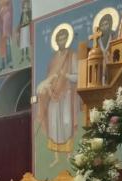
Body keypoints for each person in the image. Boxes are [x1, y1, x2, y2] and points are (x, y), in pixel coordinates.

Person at [36, 26, 78, 168]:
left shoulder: (72, 56)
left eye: (64, 38)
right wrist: (46, 88)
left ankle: (69, 154)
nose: (61, 41)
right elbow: (49, 78)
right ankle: (55, 157)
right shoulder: (53, 60)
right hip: (53, 95)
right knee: (54, 125)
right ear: (56, 41)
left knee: (66, 123)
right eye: (59, 39)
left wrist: (66, 75)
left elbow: (77, 77)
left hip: (66, 95)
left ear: (67, 39)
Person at [0, 0, 13, 71]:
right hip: (0, 29)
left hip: (6, 28)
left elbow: (9, 13)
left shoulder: (9, 3)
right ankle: (1, 64)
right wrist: (0, 12)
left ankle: (9, 63)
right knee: (1, 47)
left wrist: (4, 10)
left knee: (7, 45)